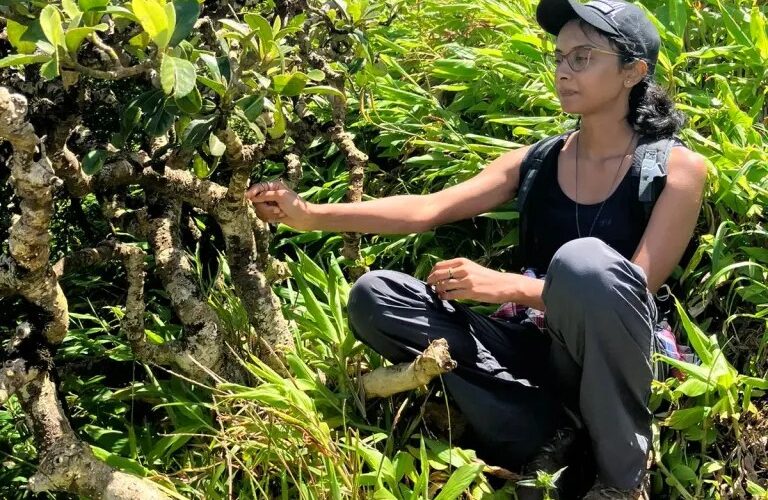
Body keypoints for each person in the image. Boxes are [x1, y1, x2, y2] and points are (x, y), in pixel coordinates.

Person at [246, 0, 707, 497]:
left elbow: (636, 288)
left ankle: (619, 480)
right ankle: (551, 437)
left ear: (632, 71)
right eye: (559, 57)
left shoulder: (675, 169)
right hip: (536, 346)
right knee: (376, 296)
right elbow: (428, 208)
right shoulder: (538, 160)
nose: (563, 71)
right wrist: (312, 214)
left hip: (617, 355)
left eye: (583, 58)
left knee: (585, 261)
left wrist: (506, 285)